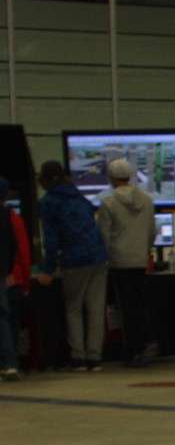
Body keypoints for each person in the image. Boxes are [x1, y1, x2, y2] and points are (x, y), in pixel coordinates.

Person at [36, 160, 109, 373]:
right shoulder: (81, 198)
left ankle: (78, 357)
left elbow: (51, 239)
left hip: (75, 259)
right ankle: (95, 357)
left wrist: (48, 270)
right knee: (95, 307)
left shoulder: (48, 203)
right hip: (97, 256)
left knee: (74, 307)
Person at [96, 157, 158, 368]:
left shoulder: (108, 203)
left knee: (126, 307)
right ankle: (147, 342)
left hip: (118, 261)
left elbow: (104, 235)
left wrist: (106, 257)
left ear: (112, 177)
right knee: (141, 303)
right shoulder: (146, 200)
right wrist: (144, 251)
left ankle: (132, 351)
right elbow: (152, 232)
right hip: (140, 259)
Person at [0, 177, 27, 380]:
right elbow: (16, 246)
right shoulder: (8, 214)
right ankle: (9, 363)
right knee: (4, 317)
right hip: (5, 273)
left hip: (5, 273)